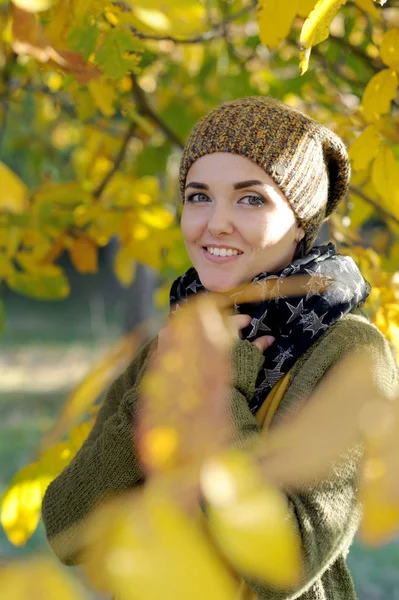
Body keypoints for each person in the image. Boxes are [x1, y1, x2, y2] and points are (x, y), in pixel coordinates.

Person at [41, 97, 398, 599]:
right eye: (198, 196)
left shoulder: (351, 351)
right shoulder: (175, 341)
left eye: (251, 199)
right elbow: (66, 530)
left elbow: (286, 566)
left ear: (301, 220)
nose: (216, 222)